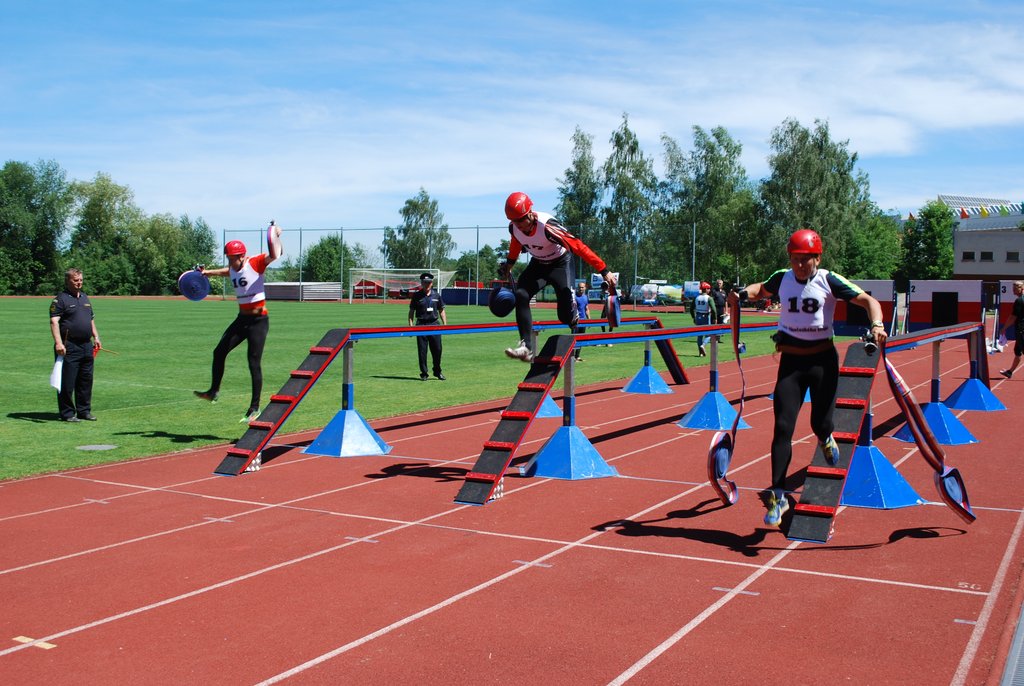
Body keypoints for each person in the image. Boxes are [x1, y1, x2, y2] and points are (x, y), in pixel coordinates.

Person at [728, 228, 888, 528]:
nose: (800, 265)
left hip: (822, 363)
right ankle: (778, 493)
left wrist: (877, 324)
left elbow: (869, 301)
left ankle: (826, 437)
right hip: (791, 363)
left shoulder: (829, 280)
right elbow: (760, 289)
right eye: (795, 259)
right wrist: (742, 294)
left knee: (820, 423)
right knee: (782, 427)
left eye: (806, 259)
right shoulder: (782, 277)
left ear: (818, 257)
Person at [499, 192, 616, 361]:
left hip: (560, 264)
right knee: (521, 294)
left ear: (530, 213)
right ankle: (526, 347)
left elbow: (578, 246)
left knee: (564, 317)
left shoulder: (547, 226)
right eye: (514, 222)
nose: (519, 226)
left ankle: (572, 310)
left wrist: (604, 270)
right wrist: (509, 265)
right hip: (538, 264)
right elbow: (516, 244)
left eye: (520, 221)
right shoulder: (515, 228)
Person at [194, 224, 282, 421]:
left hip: (259, 321)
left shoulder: (255, 263)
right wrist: (208, 273)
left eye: (233, 258)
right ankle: (213, 391)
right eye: (228, 258)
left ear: (242, 256)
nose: (230, 261)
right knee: (219, 352)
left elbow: (275, 255)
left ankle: (254, 408)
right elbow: (228, 272)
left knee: (253, 362)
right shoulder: (233, 268)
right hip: (242, 320)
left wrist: (276, 236)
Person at [49, 268, 101, 422]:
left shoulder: (85, 297)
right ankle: (67, 413)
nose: (79, 283)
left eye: (81, 280)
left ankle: (84, 411)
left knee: (86, 380)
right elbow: (54, 322)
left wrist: (96, 336)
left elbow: (90, 319)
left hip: (86, 345)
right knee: (67, 381)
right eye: (76, 280)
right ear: (68, 281)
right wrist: (58, 343)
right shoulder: (60, 300)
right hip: (69, 346)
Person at [408, 272, 447, 380]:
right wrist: (411, 327)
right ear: (421, 283)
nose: (427, 284)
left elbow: (442, 310)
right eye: (425, 283)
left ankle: (437, 371)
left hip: (434, 324)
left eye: (429, 283)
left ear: (432, 283)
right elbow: (411, 312)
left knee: (438, 350)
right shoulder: (417, 295)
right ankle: (424, 373)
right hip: (421, 325)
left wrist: (445, 325)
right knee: (422, 351)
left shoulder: (436, 295)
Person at [999, 280, 1024, 379]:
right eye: (1013, 288)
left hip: (1021, 330)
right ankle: (1010, 372)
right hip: (1020, 330)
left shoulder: (1019, 301)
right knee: (1017, 351)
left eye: (1015, 288)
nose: (1013, 290)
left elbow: (1012, 317)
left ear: (1021, 288)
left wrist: (1004, 328)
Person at [691, 281, 717, 356]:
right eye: (708, 289)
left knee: (699, 335)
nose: (709, 290)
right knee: (709, 335)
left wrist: (693, 317)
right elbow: (714, 309)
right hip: (705, 316)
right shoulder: (709, 298)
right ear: (706, 289)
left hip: (698, 316)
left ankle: (700, 353)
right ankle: (703, 345)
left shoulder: (696, 298)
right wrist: (715, 318)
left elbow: (691, 308)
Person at [573, 282, 590, 360]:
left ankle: (577, 356)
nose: (581, 289)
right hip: (575, 321)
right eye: (579, 287)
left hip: (583, 321)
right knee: (573, 339)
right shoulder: (574, 297)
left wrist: (589, 319)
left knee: (581, 339)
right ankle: (571, 356)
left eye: (582, 287)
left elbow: (586, 308)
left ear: (585, 288)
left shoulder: (586, 297)